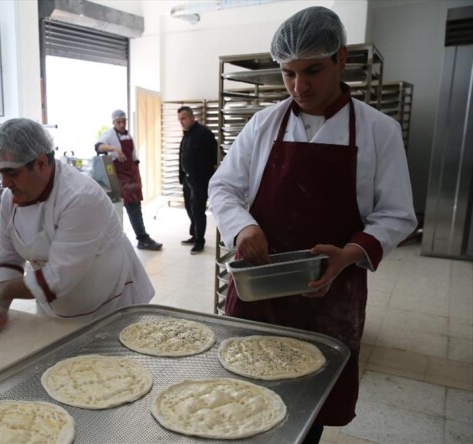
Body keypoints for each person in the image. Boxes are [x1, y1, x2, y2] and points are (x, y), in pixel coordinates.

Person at [209, 7, 417, 443]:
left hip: (329, 296)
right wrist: (242, 227)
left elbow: (396, 214)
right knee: (240, 398)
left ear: (341, 59)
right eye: (287, 74)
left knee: (308, 410)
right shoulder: (265, 123)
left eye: (313, 71)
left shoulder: (379, 131)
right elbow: (223, 187)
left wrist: (351, 254)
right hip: (259, 294)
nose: (299, 87)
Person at [0, 118, 154, 338]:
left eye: (12, 173)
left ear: (41, 163)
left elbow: (58, 278)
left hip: (108, 307)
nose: (5, 182)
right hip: (55, 306)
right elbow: (10, 257)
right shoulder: (10, 199)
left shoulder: (80, 197)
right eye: (0, 173)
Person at [95, 110, 162, 251]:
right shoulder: (109, 135)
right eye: (118, 122)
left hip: (132, 173)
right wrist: (114, 149)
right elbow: (98, 146)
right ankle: (142, 238)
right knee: (132, 208)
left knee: (136, 206)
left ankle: (141, 238)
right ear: (113, 123)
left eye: (123, 121)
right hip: (120, 177)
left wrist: (137, 174)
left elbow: (133, 156)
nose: (121, 124)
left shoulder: (128, 135)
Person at [177, 106, 218, 255]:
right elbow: (182, 156)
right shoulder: (187, 134)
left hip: (200, 180)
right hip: (188, 180)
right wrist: (182, 177)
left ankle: (200, 241)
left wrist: (206, 176)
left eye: (184, 118)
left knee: (198, 210)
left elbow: (214, 156)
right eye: (179, 119)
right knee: (189, 209)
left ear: (192, 117)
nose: (181, 122)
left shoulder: (204, 133)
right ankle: (194, 235)